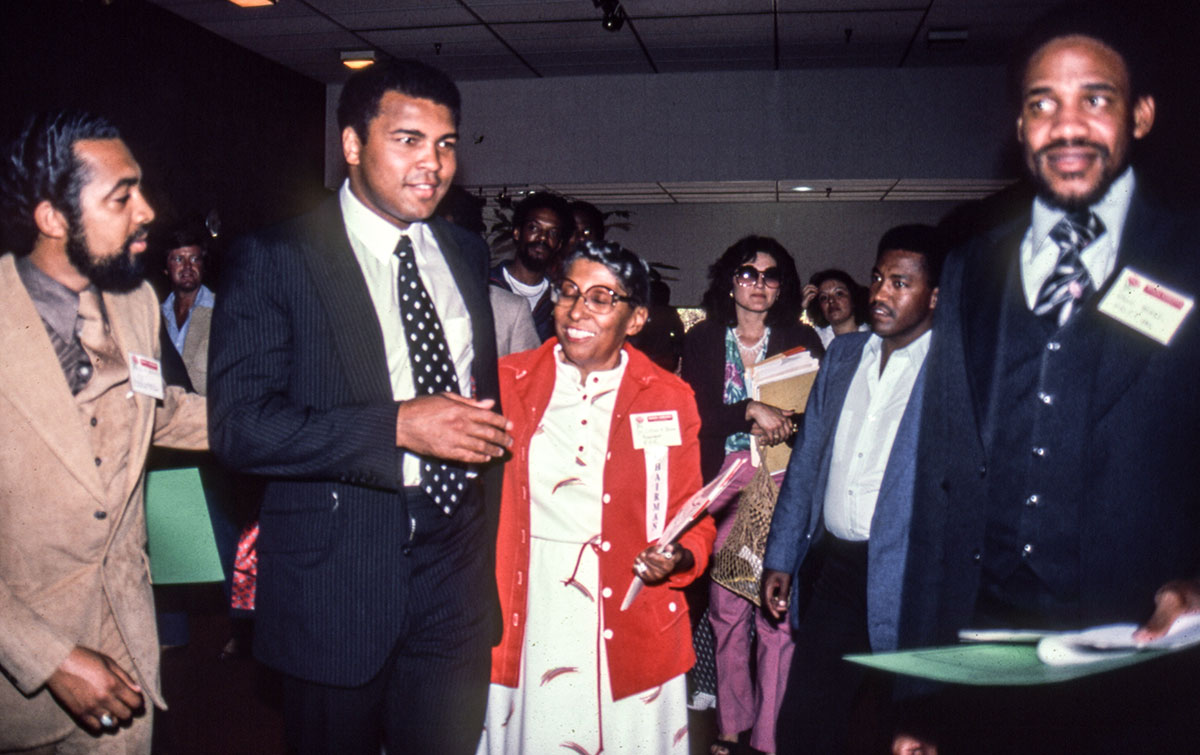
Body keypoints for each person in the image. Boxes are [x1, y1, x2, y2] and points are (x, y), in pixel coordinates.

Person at [896, 8, 1200, 752]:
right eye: (1043, 104)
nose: (1067, 125)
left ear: (1142, 115)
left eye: (1095, 99)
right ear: (1022, 125)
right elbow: (940, 486)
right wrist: (919, 692)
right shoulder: (970, 266)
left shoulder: (1190, 256)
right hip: (985, 673)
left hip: (1142, 675)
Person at [208, 60, 511, 755]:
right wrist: (398, 425)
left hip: (455, 578)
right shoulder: (276, 257)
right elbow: (241, 427)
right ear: (351, 144)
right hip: (338, 582)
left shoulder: (463, 251)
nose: (432, 164)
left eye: (445, 143)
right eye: (408, 139)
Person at [0, 110, 207, 753]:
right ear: (53, 219)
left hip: (125, 643)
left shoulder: (135, 303)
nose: (145, 211)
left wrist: (305, 421)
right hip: (19, 668)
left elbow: (155, 410)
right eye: (122, 197)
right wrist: (51, 658)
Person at [480, 241, 716, 754]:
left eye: (601, 298)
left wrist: (677, 556)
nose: (578, 309)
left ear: (635, 319)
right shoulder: (508, 381)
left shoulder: (669, 397)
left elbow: (692, 515)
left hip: (631, 607)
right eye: (569, 293)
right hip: (531, 597)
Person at [761, 225, 943, 755]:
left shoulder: (951, 367)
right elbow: (807, 464)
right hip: (837, 571)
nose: (882, 293)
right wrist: (782, 556)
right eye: (879, 278)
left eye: (901, 283)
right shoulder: (845, 355)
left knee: (892, 727)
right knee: (805, 722)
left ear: (934, 296)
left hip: (909, 578)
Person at [680, 235, 823, 755]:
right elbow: (691, 418)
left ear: (782, 285)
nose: (758, 285)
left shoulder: (802, 342)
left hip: (782, 481)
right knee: (726, 609)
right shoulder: (701, 340)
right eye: (747, 273)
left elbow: (822, 419)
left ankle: (766, 739)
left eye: (770, 275)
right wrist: (748, 409)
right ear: (728, 280)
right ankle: (730, 727)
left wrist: (786, 421)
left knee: (775, 614)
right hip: (723, 484)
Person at [489, 191, 573, 342]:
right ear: (517, 233)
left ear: (559, 244)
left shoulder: (562, 298)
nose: (542, 238)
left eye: (552, 233)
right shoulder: (486, 286)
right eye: (534, 228)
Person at [160, 222, 214, 393]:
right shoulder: (153, 316)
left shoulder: (223, 312)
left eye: (194, 259)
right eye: (178, 259)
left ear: (203, 266)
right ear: (166, 269)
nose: (188, 267)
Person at [802, 269, 869, 349]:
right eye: (824, 297)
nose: (831, 300)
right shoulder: (816, 340)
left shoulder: (872, 340)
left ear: (853, 299)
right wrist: (802, 307)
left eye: (839, 294)